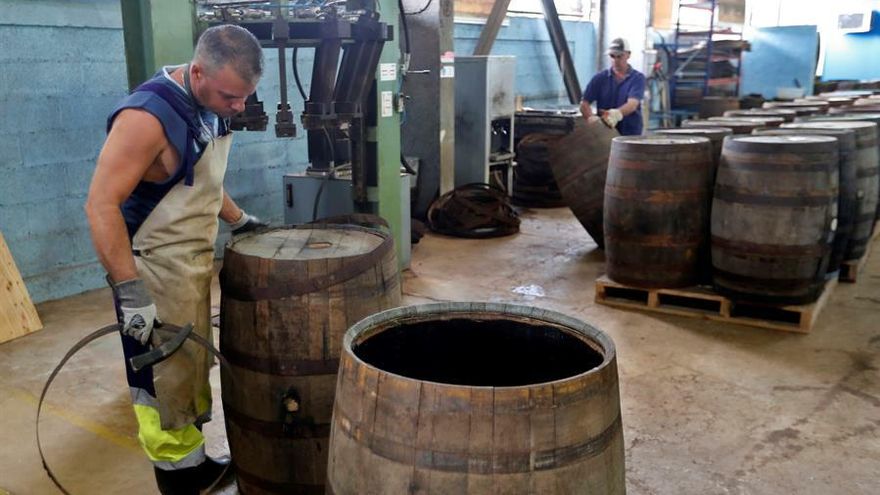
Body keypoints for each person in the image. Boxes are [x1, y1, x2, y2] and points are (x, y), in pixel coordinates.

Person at [85, 24, 267, 494]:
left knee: (188, 367)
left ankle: (195, 462)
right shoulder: (146, 117)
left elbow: (199, 180)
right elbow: (101, 205)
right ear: (198, 72)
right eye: (231, 96)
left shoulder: (210, 106)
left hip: (189, 263)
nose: (239, 106)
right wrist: (130, 292)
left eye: (245, 97)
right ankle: (177, 479)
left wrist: (239, 220)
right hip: (151, 268)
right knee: (160, 376)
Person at [580, 37, 646, 135]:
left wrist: (615, 114)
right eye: (612, 56)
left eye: (619, 56)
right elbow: (584, 103)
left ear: (628, 55)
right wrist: (591, 117)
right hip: (604, 132)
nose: (616, 60)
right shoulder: (600, 78)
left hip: (630, 133)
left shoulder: (637, 78)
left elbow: (632, 104)